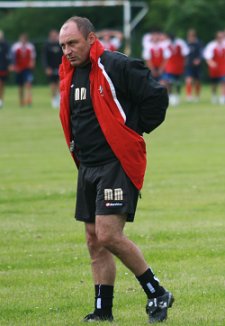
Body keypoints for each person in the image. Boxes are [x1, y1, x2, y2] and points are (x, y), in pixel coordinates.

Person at [59, 16, 174, 324]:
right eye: (63, 46)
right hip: (88, 166)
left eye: (73, 43)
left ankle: (156, 292)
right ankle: (102, 310)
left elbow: (156, 97)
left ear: (92, 39)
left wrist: (132, 131)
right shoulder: (69, 74)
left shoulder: (115, 65)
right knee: (94, 239)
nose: (67, 51)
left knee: (109, 234)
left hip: (115, 164)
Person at [162, 34, 190, 106]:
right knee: (169, 82)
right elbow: (165, 57)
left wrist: (184, 64)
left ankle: (177, 96)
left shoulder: (180, 43)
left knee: (178, 83)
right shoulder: (166, 44)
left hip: (179, 66)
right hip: (170, 66)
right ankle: (171, 97)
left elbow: (186, 54)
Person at [11, 33, 36, 106]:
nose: (23, 41)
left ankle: (29, 100)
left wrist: (32, 63)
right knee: (20, 86)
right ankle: (21, 101)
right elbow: (13, 58)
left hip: (27, 68)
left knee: (28, 84)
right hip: (19, 69)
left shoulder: (30, 47)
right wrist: (14, 66)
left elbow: (33, 57)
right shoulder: (15, 47)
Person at [203, 31, 225, 104]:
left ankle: (223, 97)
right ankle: (214, 95)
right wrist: (211, 63)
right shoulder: (211, 45)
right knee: (214, 84)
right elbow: (207, 56)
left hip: (223, 66)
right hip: (214, 68)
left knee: (223, 82)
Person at [43, 29, 63, 108]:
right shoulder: (47, 45)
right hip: (50, 68)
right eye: (52, 36)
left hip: (60, 68)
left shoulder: (60, 45)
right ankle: (54, 99)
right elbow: (44, 58)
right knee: (52, 85)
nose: (54, 37)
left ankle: (60, 99)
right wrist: (46, 68)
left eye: (55, 35)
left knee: (60, 84)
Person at [185, 29, 202, 102]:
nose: (191, 38)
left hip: (197, 66)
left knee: (197, 81)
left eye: (192, 36)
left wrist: (198, 60)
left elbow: (202, 54)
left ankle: (197, 96)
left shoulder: (199, 44)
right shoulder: (186, 44)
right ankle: (189, 96)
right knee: (188, 80)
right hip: (189, 65)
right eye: (190, 36)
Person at [0, 30, 10, 108]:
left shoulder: (5, 45)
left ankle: (1, 100)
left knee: (1, 85)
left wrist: (9, 65)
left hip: (2, 67)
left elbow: (8, 56)